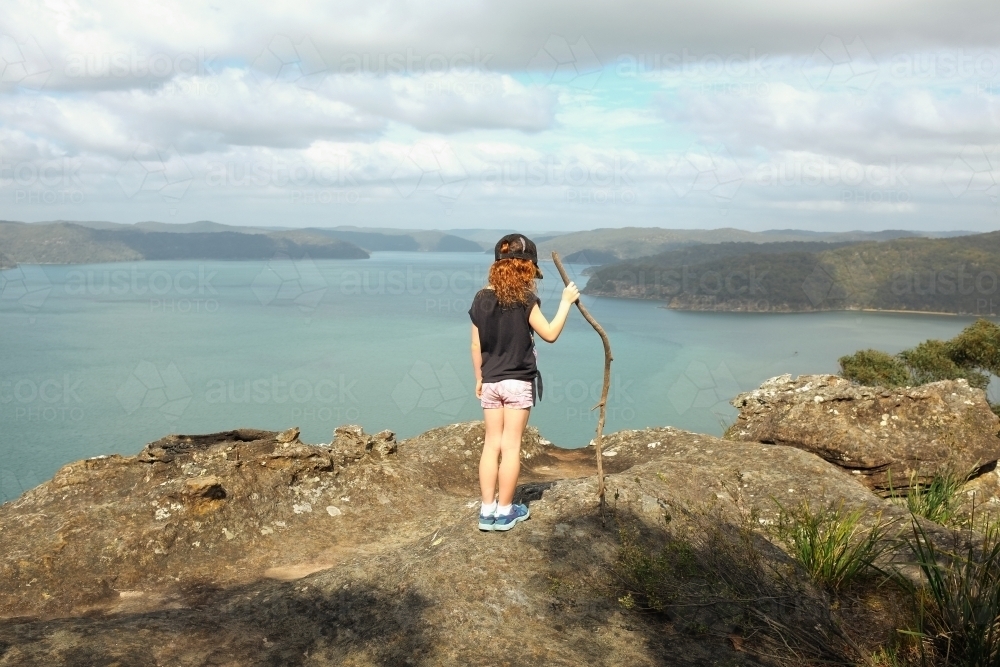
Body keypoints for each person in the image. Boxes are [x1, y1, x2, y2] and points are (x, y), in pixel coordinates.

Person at [469, 234, 579, 532]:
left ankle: (486, 510)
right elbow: (550, 333)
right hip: (518, 382)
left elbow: (476, 346)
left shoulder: (481, 299)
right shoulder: (525, 300)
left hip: (491, 382)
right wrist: (567, 302)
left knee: (491, 445)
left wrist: (480, 378)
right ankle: (505, 511)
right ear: (526, 269)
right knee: (512, 446)